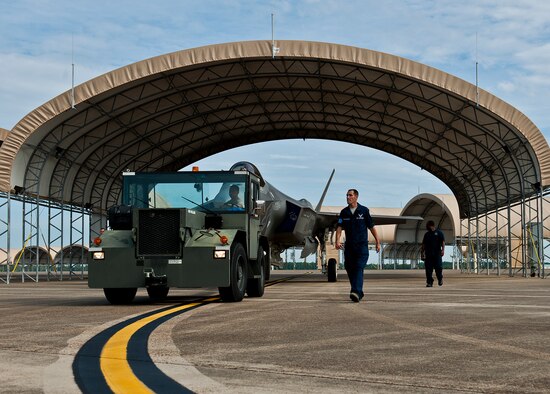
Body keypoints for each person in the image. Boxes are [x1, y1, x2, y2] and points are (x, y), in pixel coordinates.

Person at [335, 189, 380, 302]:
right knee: (349, 268)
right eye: (347, 195)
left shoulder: (364, 211)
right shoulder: (344, 212)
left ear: (356, 197)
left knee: (358, 268)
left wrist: (378, 242)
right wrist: (337, 240)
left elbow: (371, 227)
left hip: (361, 246)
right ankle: (358, 291)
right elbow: (339, 227)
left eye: (350, 195)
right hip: (349, 246)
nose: (348, 197)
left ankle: (355, 291)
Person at [421, 220, 445, 287]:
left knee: (438, 268)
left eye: (427, 226)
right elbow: (423, 244)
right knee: (428, 270)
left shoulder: (439, 233)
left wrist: (443, 250)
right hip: (428, 255)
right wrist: (422, 253)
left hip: (437, 254)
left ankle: (440, 279)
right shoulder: (427, 234)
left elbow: (443, 242)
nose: (426, 227)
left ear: (431, 225)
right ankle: (429, 282)